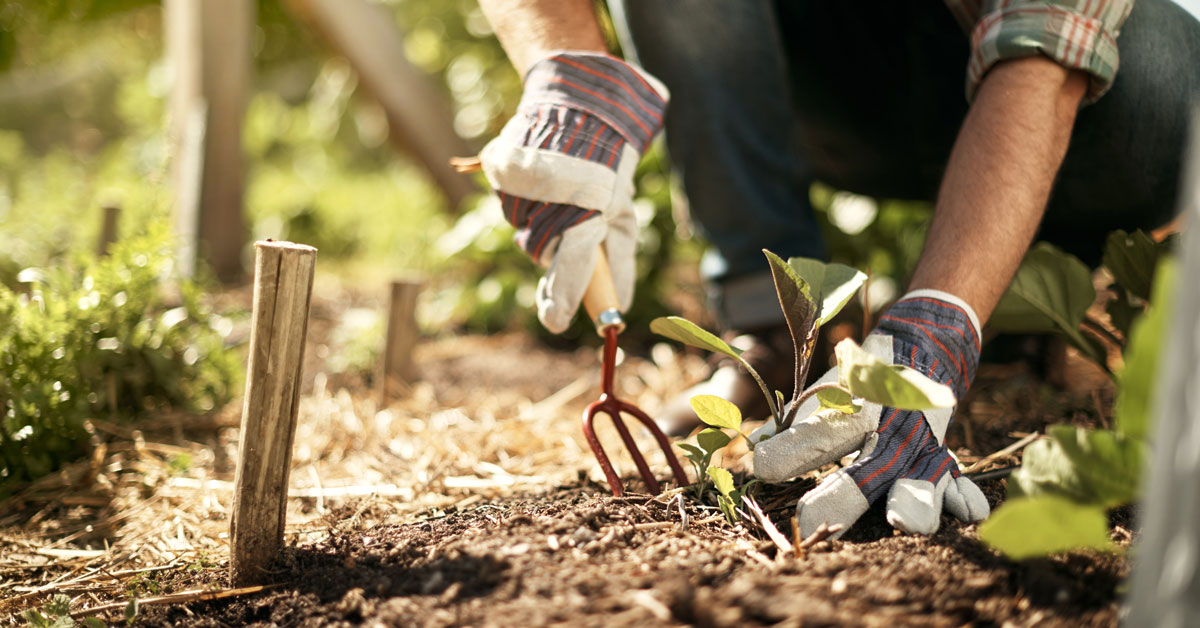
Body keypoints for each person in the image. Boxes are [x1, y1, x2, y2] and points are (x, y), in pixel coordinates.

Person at [472, 0, 1200, 538]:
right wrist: (563, 70)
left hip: (1040, 73)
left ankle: (1008, 294)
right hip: (814, 79)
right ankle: (775, 322)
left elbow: (1047, 50)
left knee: (1165, 82)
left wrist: (937, 328)